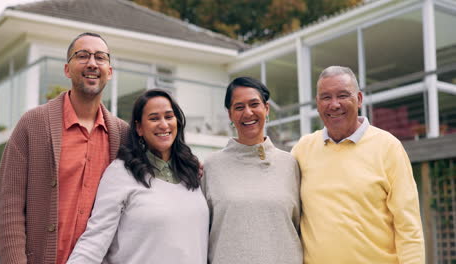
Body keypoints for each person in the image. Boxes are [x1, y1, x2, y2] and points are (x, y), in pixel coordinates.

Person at [0, 32, 129, 264]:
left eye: (100, 57)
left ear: (110, 71)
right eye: (82, 55)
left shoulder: (123, 135)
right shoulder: (32, 124)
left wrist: (188, 165)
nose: (92, 63)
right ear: (67, 69)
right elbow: (9, 206)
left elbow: (156, 173)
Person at [291, 66, 425, 264]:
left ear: (359, 99)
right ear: (318, 104)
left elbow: (409, 228)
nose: (334, 104)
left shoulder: (388, 147)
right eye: (326, 97)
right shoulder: (302, 149)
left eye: (343, 95)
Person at [66, 89, 209, 264]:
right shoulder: (121, 172)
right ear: (139, 128)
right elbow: (95, 239)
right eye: (154, 118)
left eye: (169, 116)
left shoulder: (192, 172)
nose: (164, 124)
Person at [202, 77, 303, 264]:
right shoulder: (211, 167)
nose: (248, 113)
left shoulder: (290, 164)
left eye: (254, 104)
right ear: (230, 114)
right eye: (239, 107)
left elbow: (301, 226)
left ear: (266, 108)